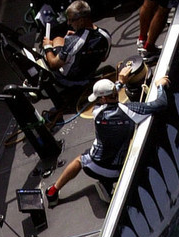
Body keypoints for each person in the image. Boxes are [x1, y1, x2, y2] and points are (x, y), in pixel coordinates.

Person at [44, 73, 166, 206]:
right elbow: (161, 103)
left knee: (79, 160)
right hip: (116, 171)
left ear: (102, 99)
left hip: (92, 167)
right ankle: (106, 185)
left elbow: (108, 97)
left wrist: (120, 83)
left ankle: (53, 191)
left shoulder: (96, 111)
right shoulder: (131, 110)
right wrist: (160, 86)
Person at [34, 1, 109, 111]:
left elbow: (54, 64)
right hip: (89, 73)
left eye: (71, 20)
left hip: (69, 79)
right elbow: (103, 58)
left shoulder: (72, 42)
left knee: (52, 46)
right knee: (59, 39)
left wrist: (47, 47)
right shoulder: (105, 35)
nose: (69, 23)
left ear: (81, 20)